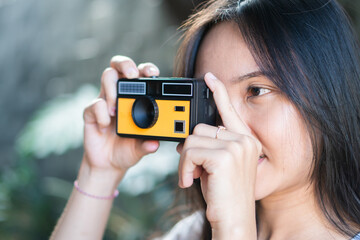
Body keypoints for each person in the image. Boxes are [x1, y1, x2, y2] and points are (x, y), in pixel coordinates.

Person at [50, 0, 360, 239]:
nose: (225, 123)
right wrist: (100, 171)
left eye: (256, 90)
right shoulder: (193, 233)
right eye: (209, 97)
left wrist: (235, 230)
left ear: (328, 90)